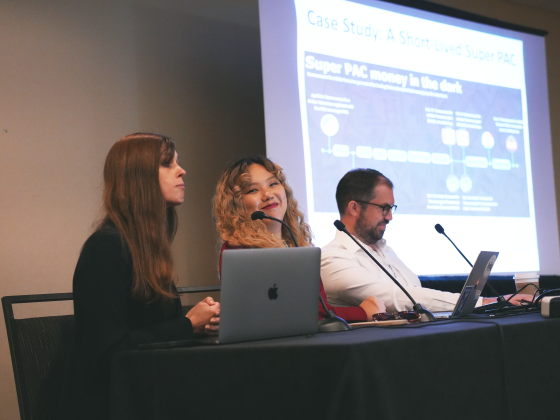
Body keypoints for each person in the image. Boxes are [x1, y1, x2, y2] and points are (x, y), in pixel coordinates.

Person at [59, 133, 220, 420]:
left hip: (149, 395)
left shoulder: (147, 250)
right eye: (167, 164)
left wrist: (201, 324)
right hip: (115, 407)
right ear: (138, 178)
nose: (182, 170)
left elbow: (151, 329)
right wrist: (187, 324)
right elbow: (109, 353)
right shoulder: (105, 249)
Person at [321, 168, 533, 313]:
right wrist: (486, 302)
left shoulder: (384, 250)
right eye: (383, 208)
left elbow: (414, 290)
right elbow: (397, 298)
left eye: (391, 208)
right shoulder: (331, 258)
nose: (390, 216)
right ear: (354, 207)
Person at [213, 156, 385, 322]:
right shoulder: (238, 249)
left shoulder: (297, 244)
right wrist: (362, 312)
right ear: (236, 204)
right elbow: (306, 312)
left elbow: (319, 308)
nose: (268, 194)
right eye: (253, 190)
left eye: (273, 184)